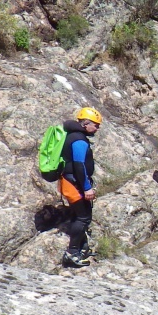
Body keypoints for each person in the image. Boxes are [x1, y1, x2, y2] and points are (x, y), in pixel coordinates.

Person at [59, 107, 102, 268]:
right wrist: (86, 187)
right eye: (95, 125)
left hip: (70, 181)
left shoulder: (74, 135)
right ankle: (72, 253)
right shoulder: (78, 139)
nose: (97, 128)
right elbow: (79, 165)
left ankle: (81, 248)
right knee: (82, 218)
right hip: (74, 183)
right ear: (86, 123)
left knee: (83, 216)